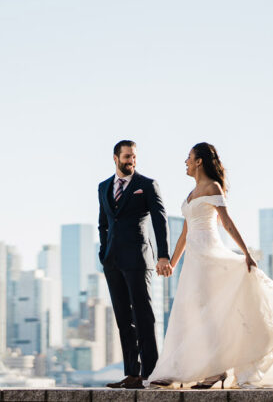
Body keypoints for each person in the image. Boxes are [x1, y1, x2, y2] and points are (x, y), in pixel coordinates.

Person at [148, 142, 273, 389]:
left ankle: (216, 370)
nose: (185, 162)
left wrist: (245, 253)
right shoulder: (189, 194)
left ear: (199, 161)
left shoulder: (213, 187)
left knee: (212, 312)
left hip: (211, 255)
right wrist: (174, 263)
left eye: (189, 158)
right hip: (194, 261)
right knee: (192, 311)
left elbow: (227, 222)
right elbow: (184, 234)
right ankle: (187, 368)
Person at [98, 139, 172, 389]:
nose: (131, 161)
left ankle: (150, 373)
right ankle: (132, 373)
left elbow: (160, 220)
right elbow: (103, 223)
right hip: (112, 262)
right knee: (122, 319)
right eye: (127, 156)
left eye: (134, 157)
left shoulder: (147, 185)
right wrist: (103, 252)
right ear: (116, 158)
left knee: (143, 316)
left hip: (139, 259)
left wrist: (164, 255)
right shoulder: (104, 187)